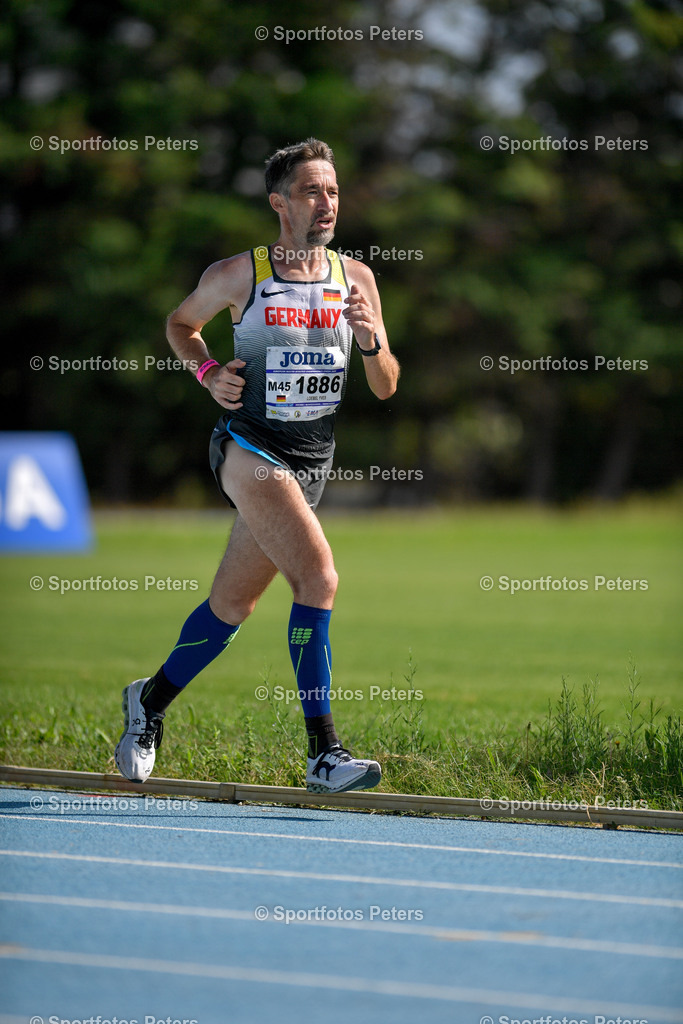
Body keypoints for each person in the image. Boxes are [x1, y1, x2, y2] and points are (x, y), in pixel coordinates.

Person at [115, 138, 400, 793]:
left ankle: (149, 702)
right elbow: (180, 324)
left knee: (231, 606)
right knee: (319, 577)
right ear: (279, 204)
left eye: (331, 191)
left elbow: (385, 385)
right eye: (310, 191)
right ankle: (324, 754)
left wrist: (371, 339)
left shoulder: (356, 279)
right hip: (247, 449)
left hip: (313, 461)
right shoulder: (239, 274)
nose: (325, 203)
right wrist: (208, 372)